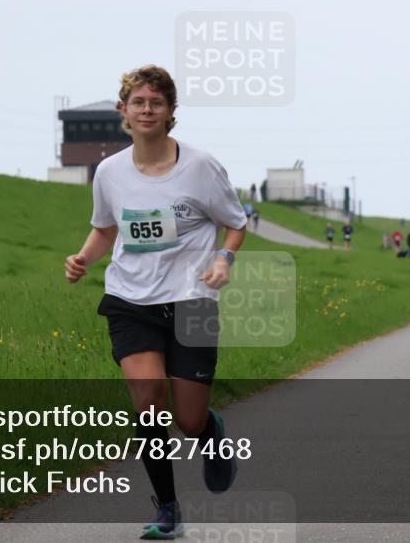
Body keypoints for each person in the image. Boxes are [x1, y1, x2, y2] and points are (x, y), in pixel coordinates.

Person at [64, 65, 247, 540]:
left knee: (186, 419)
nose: (147, 111)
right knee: (148, 404)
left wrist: (224, 259)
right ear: (123, 111)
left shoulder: (201, 166)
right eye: (139, 103)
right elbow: (106, 228)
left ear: (171, 113)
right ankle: (167, 509)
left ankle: (210, 433)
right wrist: (84, 257)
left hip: (193, 301)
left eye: (157, 103)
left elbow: (236, 221)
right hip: (131, 299)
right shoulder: (109, 171)